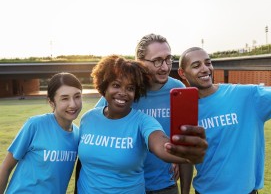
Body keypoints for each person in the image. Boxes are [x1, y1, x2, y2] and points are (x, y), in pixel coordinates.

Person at [76, 55, 207, 194]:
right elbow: (82, 164)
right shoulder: (88, 118)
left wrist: (186, 154)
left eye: (130, 88)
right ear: (104, 87)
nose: (123, 93)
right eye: (116, 85)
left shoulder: (143, 122)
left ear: (136, 92)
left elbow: (160, 144)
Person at [95, 33, 195, 194]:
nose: (165, 67)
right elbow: (96, 128)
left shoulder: (179, 90)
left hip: (165, 185)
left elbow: (185, 145)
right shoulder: (124, 89)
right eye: (157, 60)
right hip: (125, 185)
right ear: (139, 62)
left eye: (168, 59)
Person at [178, 47, 271, 194]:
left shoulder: (247, 96)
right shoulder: (185, 110)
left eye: (208, 63)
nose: (205, 69)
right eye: (196, 66)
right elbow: (186, 157)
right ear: (182, 73)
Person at [0, 72, 83, 194]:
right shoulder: (35, 125)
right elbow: (6, 167)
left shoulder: (78, 135)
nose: (73, 104)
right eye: (65, 98)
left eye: (77, 96)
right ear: (51, 102)